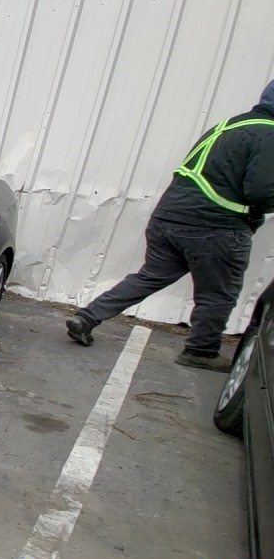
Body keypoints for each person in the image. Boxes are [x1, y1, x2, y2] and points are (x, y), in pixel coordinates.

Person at [65, 81, 274, 371]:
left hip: (169, 217)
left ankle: (87, 317)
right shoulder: (269, 133)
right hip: (216, 227)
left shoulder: (230, 125)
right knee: (218, 294)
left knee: (149, 276)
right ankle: (200, 351)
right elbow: (262, 192)